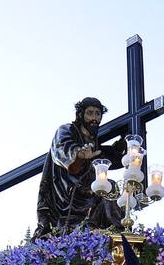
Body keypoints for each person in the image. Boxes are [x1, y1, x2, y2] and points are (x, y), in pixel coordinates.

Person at [33, 97, 127, 238]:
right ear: (80, 115)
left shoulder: (93, 143)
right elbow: (63, 148)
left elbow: (107, 157)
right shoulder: (66, 130)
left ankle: (114, 231)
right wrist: (79, 154)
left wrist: (126, 148)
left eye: (97, 114)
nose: (94, 118)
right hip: (66, 195)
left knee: (110, 187)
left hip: (87, 193)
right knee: (107, 186)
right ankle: (92, 229)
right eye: (90, 113)